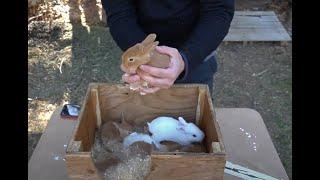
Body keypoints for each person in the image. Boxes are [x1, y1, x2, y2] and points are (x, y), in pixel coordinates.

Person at [102, 0, 235, 95]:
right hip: (143, 60)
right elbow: (119, 14)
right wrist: (144, 58)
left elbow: (218, 10)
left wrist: (186, 59)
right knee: (143, 120)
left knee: (192, 124)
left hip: (196, 55)